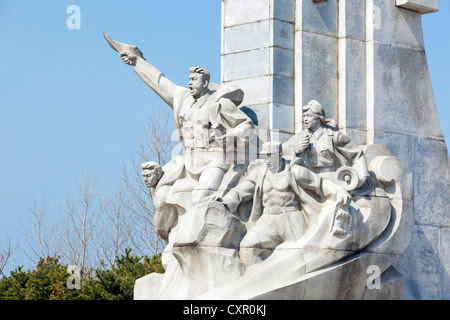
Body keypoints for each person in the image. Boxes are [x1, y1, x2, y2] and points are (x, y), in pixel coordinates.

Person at [119, 48, 255, 206]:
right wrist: (137, 61)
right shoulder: (183, 98)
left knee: (200, 197)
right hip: (189, 160)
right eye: (189, 79)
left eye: (194, 79)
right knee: (161, 195)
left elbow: (246, 125)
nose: (189, 82)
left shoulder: (219, 102)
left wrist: (232, 136)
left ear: (205, 83)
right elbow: (160, 82)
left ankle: (226, 212)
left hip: (214, 159)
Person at [214, 142, 351, 267]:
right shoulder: (259, 173)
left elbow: (319, 184)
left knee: (300, 256)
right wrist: (226, 201)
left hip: (291, 219)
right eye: (264, 156)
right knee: (247, 248)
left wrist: (338, 191)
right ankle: (261, 279)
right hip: (267, 220)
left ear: (279, 155)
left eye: (269, 156)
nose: (266, 160)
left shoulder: (293, 171)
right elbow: (241, 191)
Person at [283, 100, 369, 190]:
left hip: (330, 179)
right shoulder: (300, 137)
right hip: (307, 179)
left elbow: (357, 155)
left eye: (309, 116)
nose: (305, 119)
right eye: (304, 116)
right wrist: (296, 150)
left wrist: (360, 179)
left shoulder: (334, 136)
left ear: (317, 118)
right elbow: (282, 151)